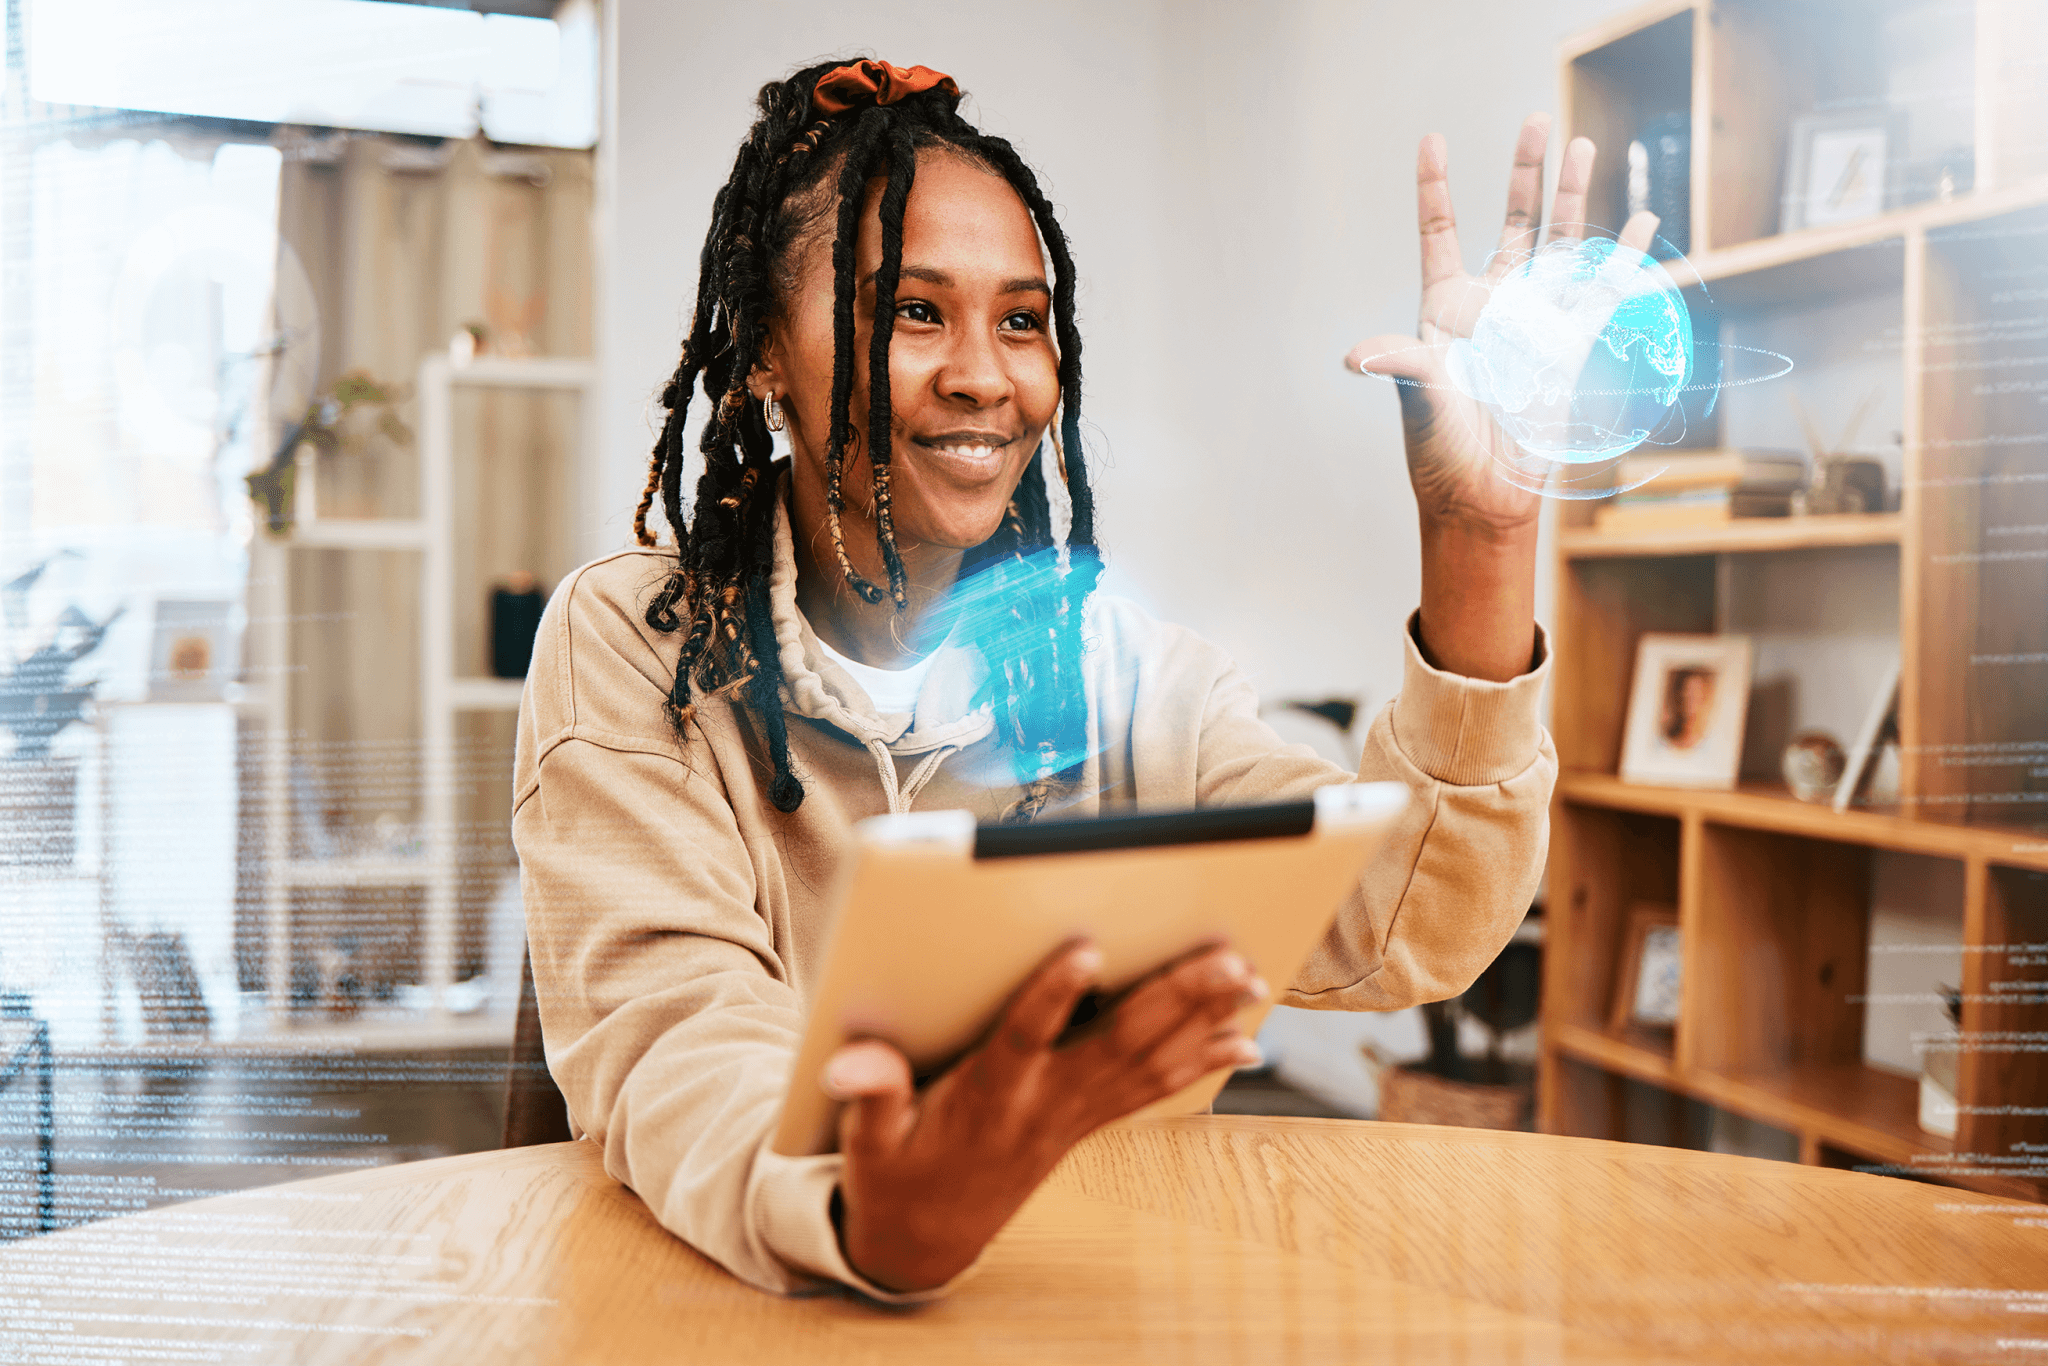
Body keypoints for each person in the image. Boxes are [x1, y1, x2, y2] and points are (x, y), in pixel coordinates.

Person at [514, 57, 1596, 1300]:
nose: (986, 374)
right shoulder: (639, 645)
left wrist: (1481, 543)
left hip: (1060, 1295)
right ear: (764, 349)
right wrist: (872, 1201)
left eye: (1022, 319)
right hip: (742, 1305)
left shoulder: (1120, 673)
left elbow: (1405, 923)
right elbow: (673, 1034)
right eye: (914, 311)